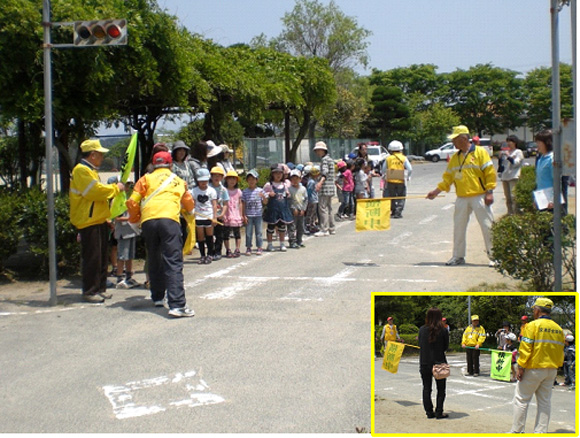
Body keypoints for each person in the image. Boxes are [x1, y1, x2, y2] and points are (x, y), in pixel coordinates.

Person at [126, 151, 195, 317]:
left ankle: (157, 297)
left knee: (154, 258)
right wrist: (190, 212)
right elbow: (188, 203)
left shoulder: (144, 179)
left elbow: (133, 201)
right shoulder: (178, 181)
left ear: (154, 164)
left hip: (149, 221)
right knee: (173, 261)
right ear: (170, 164)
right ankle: (177, 305)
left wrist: (136, 218)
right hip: (169, 220)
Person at [427, 125, 497, 267]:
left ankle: (495, 257)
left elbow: (490, 173)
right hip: (462, 198)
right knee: (458, 227)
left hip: (480, 196)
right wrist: (436, 191)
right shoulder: (455, 158)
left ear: (464, 138)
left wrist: (489, 192)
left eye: (455, 139)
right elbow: (448, 178)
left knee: (487, 226)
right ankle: (458, 256)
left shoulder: (480, 153)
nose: (453, 143)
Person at [70, 139, 124, 303]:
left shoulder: (90, 170)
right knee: (92, 258)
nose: (102, 157)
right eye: (100, 154)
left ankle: (100, 288)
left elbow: (97, 198)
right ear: (92, 155)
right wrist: (116, 188)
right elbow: (95, 192)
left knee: (101, 257)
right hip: (88, 220)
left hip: (97, 219)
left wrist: (106, 218)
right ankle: (90, 291)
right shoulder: (81, 170)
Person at [510, 297, 565, 433]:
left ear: (538, 310)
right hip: (551, 370)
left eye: (534, 309)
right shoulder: (558, 329)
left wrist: (520, 367)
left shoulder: (532, 326)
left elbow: (526, 348)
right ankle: (540, 433)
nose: (533, 311)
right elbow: (560, 351)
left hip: (534, 368)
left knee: (521, 400)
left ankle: (517, 431)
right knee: (544, 402)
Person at [418, 307, 450, 419]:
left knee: (426, 388)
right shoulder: (443, 330)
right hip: (439, 363)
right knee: (441, 389)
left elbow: (420, 345)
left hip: (425, 363)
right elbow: (446, 347)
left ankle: (429, 412)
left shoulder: (422, 329)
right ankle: (439, 412)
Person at [113, 181, 140, 289]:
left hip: (131, 230)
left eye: (129, 186)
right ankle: (120, 278)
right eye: (125, 185)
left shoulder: (129, 198)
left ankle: (129, 276)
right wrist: (131, 218)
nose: (127, 188)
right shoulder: (117, 200)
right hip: (123, 232)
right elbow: (116, 217)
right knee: (122, 255)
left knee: (130, 255)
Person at [263, 164, 294, 252]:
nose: (278, 175)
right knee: (270, 228)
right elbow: (261, 194)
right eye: (276, 173)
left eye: (280, 173)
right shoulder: (269, 185)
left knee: (282, 227)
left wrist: (288, 194)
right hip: (272, 210)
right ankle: (269, 244)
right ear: (272, 174)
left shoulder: (284, 184)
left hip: (283, 210)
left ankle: (282, 243)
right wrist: (268, 194)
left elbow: (288, 194)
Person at [172, 141, 196, 247]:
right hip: (176, 198)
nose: (181, 153)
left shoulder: (187, 165)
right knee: (178, 225)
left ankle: (186, 246)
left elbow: (191, 179)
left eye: (183, 150)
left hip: (187, 197)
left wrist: (191, 193)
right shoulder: (172, 166)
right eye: (179, 150)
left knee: (187, 224)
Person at [192, 168, 218, 264]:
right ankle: (202, 255)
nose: (203, 183)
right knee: (200, 237)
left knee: (209, 235)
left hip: (209, 215)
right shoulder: (194, 191)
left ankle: (210, 254)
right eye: (201, 181)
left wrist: (214, 217)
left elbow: (214, 204)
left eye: (205, 181)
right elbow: (193, 203)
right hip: (198, 216)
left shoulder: (211, 191)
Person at [383, 140, 413, 219]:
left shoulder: (388, 158)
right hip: (401, 180)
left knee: (392, 196)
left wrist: (385, 176)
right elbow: (410, 169)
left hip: (390, 180)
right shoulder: (403, 158)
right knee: (401, 196)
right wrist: (408, 176)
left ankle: (393, 211)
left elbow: (383, 170)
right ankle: (398, 212)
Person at [313, 141, 336, 237]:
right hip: (331, 187)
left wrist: (319, 183)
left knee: (322, 208)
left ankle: (324, 229)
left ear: (323, 150)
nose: (317, 152)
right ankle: (332, 228)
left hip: (325, 187)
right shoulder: (330, 159)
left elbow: (325, 172)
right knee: (329, 208)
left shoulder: (324, 160)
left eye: (318, 150)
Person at [241, 169, 266, 256]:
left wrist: (264, 197)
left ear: (257, 180)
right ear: (247, 180)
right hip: (249, 215)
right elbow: (243, 204)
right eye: (249, 179)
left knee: (259, 232)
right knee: (248, 233)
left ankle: (259, 247)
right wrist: (243, 215)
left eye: (253, 179)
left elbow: (265, 202)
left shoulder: (260, 190)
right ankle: (248, 247)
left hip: (258, 215)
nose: (251, 181)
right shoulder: (245, 191)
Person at [499, 135, 524, 215]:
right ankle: (510, 213)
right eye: (508, 141)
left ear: (515, 143)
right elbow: (501, 166)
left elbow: (516, 163)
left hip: (514, 176)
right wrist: (500, 158)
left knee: (514, 196)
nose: (508, 143)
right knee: (508, 197)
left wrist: (508, 156)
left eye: (510, 141)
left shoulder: (518, 152)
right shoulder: (506, 152)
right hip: (505, 177)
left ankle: (516, 213)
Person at [209, 166, 229, 261]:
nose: (216, 178)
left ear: (222, 178)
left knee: (219, 235)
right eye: (214, 175)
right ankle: (210, 251)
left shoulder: (223, 190)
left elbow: (225, 203)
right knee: (209, 235)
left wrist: (223, 214)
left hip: (219, 215)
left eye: (219, 176)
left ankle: (218, 251)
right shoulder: (207, 188)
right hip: (209, 215)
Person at [223, 169, 243, 258]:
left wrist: (241, 214)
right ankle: (228, 249)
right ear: (226, 180)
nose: (232, 181)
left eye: (234, 179)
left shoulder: (238, 191)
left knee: (237, 233)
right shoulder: (224, 190)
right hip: (227, 214)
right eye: (230, 179)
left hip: (236, 214)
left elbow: (240, 203)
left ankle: (237, 248)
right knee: (226, 233)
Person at [287, 169, 307, 248]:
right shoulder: (289, 189)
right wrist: (293, 208)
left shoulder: (303, 189)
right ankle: (292, 241)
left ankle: (299, 240)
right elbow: (289, 200)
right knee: (292, 227)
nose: (295, 180)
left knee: (301, 227)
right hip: (293, 211)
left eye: (297, 178)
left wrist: (303, 209)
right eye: (293, 179)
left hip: (301, 210)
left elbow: (305, 199)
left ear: (300, 179)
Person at [304, 166, 320, 234]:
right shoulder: (311, 181)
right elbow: (309, 191)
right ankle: (308, 225)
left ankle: (312, 225)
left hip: (315, 199)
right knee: (310, 213)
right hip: (311, 200)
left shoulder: (314, 180)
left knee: (314, 213)